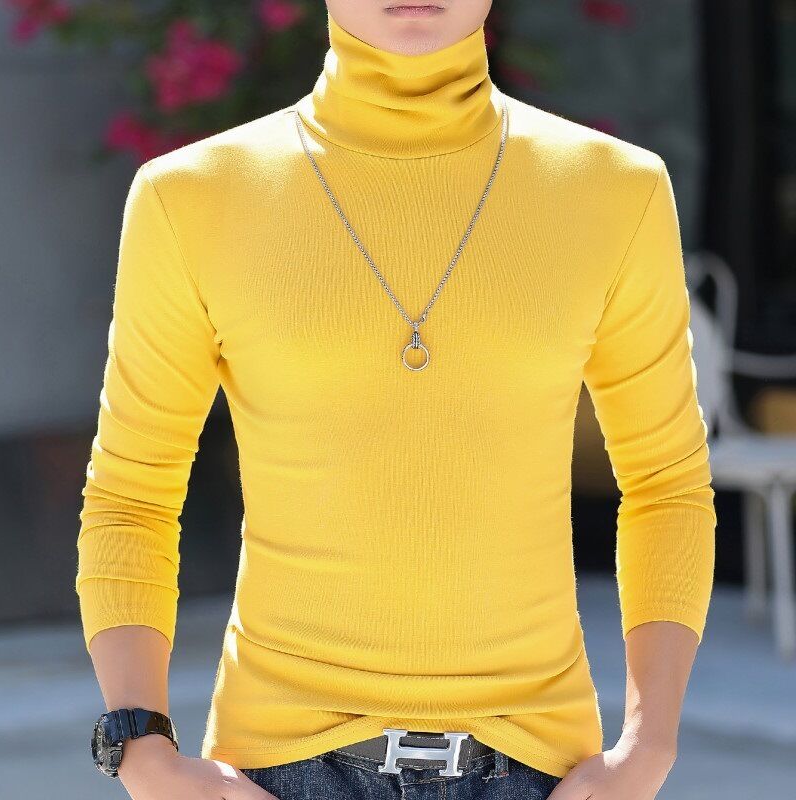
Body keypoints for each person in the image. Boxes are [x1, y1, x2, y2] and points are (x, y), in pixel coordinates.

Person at [76, 1, 717, 798]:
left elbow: (667, 484)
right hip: (277, 771)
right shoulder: (191, 197)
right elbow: (131, 494)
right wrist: (142, 753)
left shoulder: (616, 191)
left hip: (539, 771)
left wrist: (649, 747)